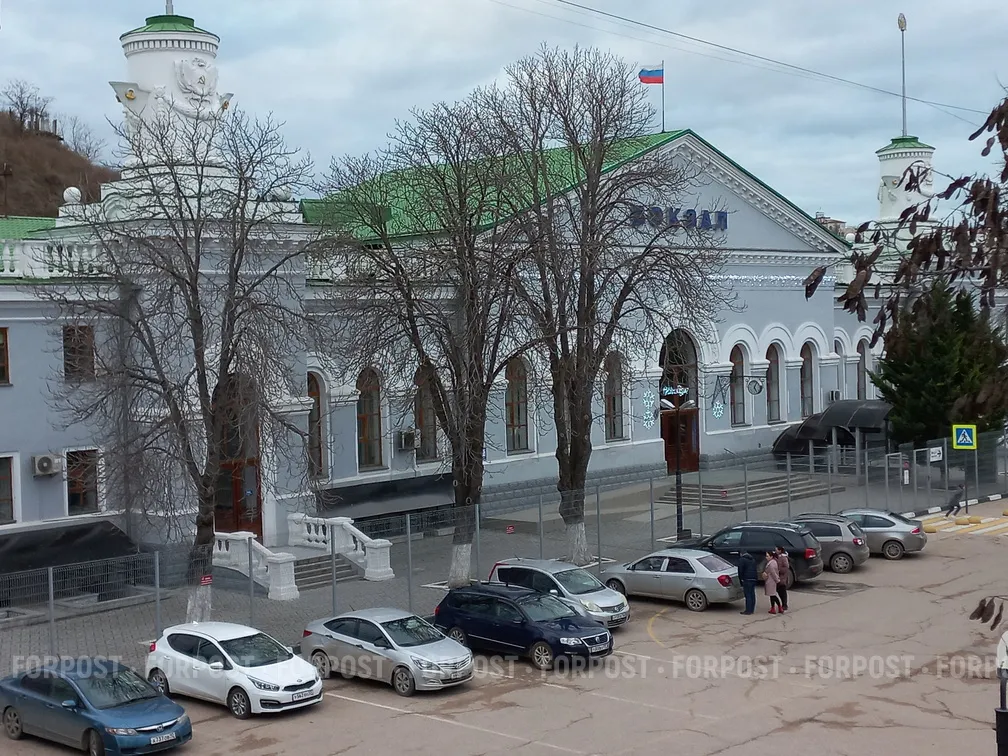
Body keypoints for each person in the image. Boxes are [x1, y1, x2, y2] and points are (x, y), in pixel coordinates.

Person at [774, 546, 791, 612]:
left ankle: (784, 605)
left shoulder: (783, 558)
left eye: (776, 550)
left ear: (780, 550)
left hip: (782, 578)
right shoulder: (778, 557)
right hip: (779, 577)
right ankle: (783, 604)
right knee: (779, 591)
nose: (775, 551)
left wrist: (778, 570)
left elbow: (786, 567)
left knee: (782, 592)